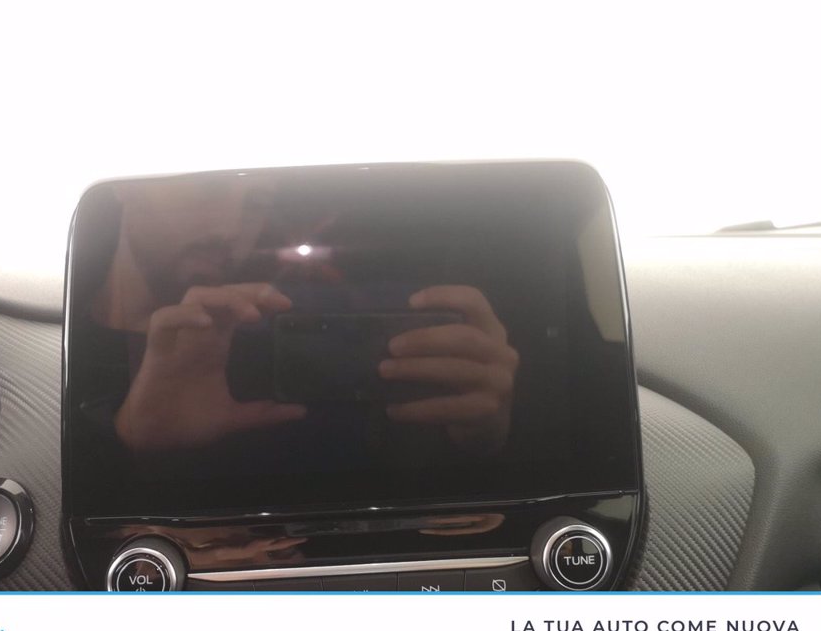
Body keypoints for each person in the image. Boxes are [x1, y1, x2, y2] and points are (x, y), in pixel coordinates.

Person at [89, 173, 520, 464]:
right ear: (125, 182)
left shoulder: (287, 340)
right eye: (208, 186)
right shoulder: (53, 347)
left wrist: (482, 440)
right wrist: (126, 442)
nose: (230, 229)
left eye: (256, 203)